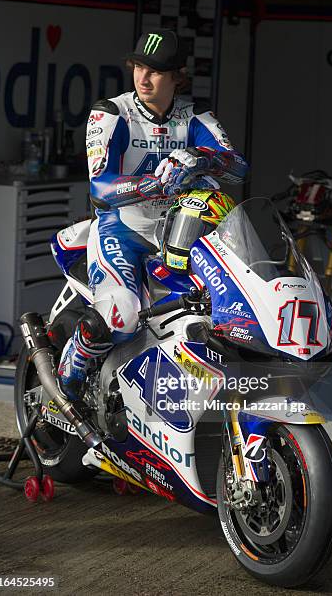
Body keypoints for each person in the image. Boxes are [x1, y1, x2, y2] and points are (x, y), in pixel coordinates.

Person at [58, 29, 249, 399]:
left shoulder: (197, 117)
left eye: (156, 71)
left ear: (178, 76)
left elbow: (239, 169)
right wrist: (153, 184)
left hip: (182, 234)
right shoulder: (111, 113)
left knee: (216, 315)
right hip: (121, 230)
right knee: (123, 317)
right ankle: (72, 366)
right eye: (139, 67)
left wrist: (200, 158)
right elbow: (100, 187)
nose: (144, 78)